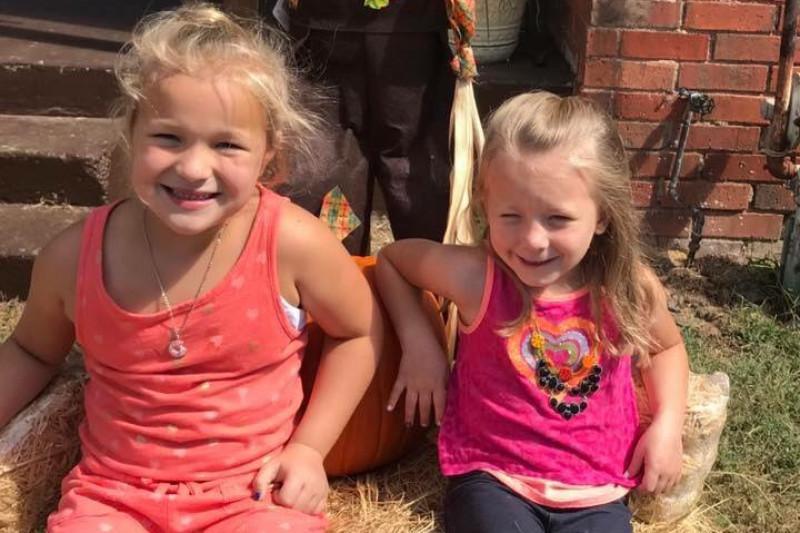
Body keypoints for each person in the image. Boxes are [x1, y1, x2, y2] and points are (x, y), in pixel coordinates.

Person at [0, 4, 382, 532]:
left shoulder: (291, 243)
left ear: (268, 155)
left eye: (227, 145)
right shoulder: (74, 258)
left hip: (252, 496)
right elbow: (31, 350)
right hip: (114, 497)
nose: (194, 168)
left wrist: (310, 448)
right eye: (168, 137)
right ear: (132, 132)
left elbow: (358, 333)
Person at [375, 91, 689, 533]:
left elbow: (665, 349)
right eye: (510, 216)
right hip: (495, 478)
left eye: (557, 219)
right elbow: (391, 262)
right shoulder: (476, 278)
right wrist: (421, 345)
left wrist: (668, 424)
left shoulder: (627, 288)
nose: (533, 240)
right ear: (486, 204)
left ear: (603, 215)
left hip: (596, 487)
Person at [288, 0, 455, 254]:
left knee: (410, 172)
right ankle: (340, 268)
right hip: (335, 27)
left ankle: (421, 270)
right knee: (339, 166)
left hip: (406, 29)